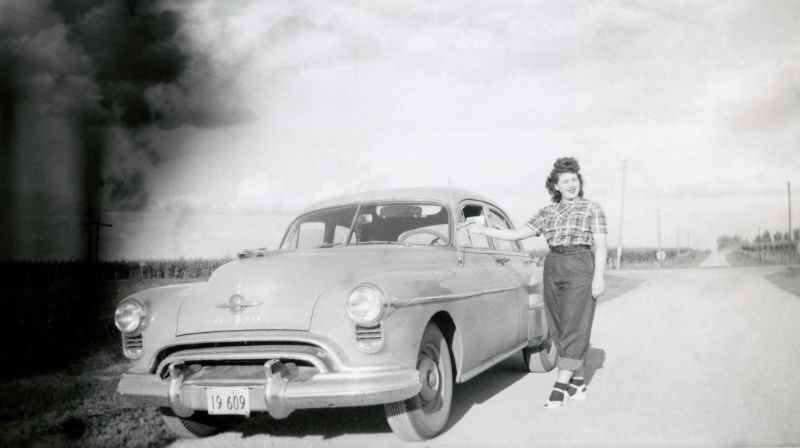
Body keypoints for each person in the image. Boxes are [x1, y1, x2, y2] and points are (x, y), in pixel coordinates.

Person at [466, 157, 607, 408]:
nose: (572, 185)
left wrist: (599, 277)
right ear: (556, 186)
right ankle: (578, 381)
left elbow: (601, 244)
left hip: (581, 264)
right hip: (553, 265)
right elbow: (518, 233)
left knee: (576, 324)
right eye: (566, 181)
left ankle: (560, 386)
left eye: (575, 180)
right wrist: (484, 231)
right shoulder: (547, 212)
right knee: (558, 326)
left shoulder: (592, 208)